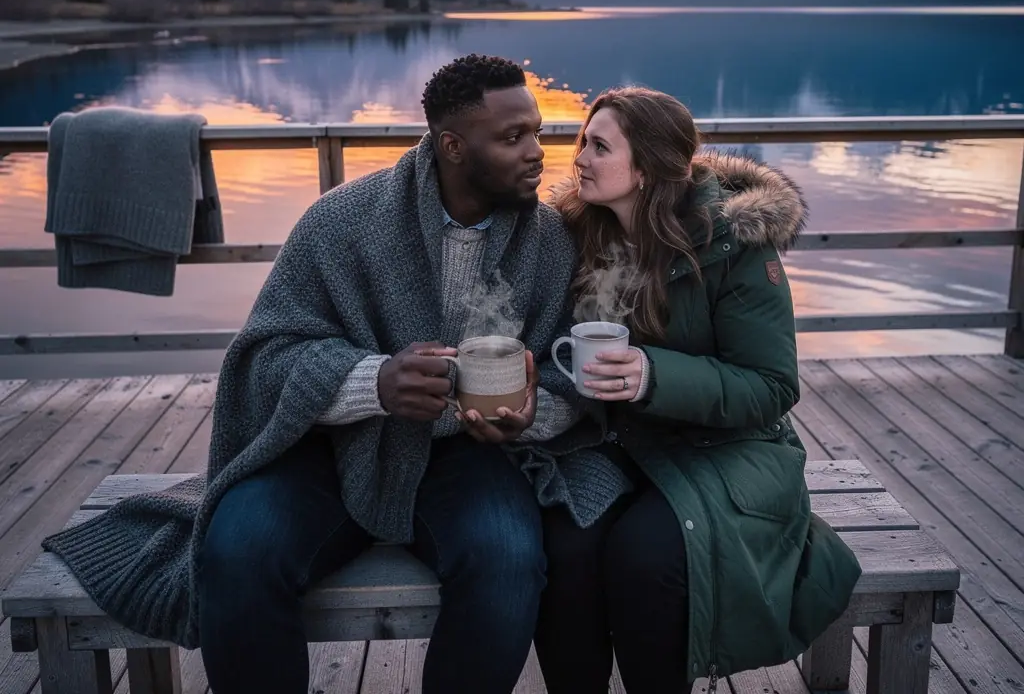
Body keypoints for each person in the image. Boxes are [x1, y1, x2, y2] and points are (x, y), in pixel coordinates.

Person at [43, 54, 580, 694]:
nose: (537, 153)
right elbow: (262, 357)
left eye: (538, 133)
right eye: (513, 137)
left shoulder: (549, 239)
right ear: (454, 145)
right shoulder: (339, 222)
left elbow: (565, 373)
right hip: (325, 451)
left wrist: (528, 413)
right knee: (237, 552)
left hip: (464, 456)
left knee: (511, 561)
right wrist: (373, 382)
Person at [531, 86, 862, 694]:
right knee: (566, 553)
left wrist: (653, 376)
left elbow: (770, 386)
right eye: (583, 141)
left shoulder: (734, 244)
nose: (578, 158)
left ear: (653, 167)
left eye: (599, 147)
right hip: (620, 445)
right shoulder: (576, 231)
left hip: (729, 451)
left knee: (645, 557)